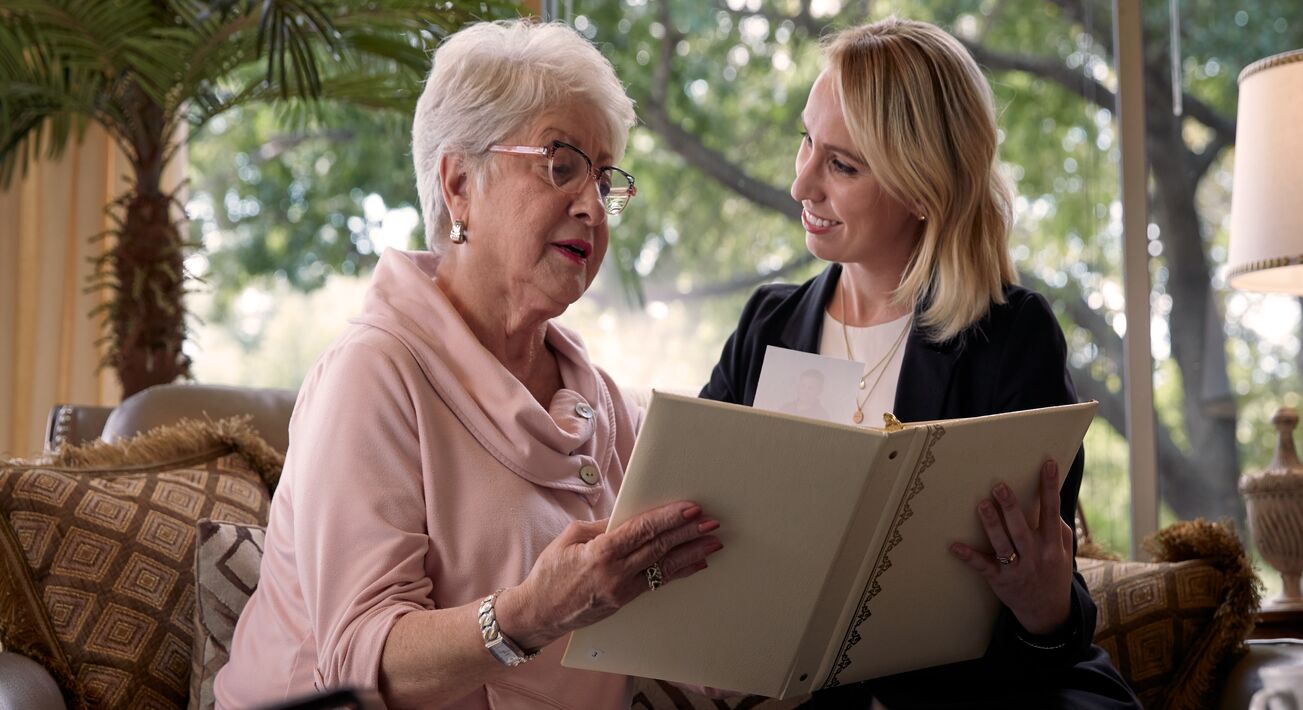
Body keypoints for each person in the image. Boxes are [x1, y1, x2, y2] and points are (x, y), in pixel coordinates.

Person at [217, 21, 722, 709]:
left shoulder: (608, 405)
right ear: (459, 184)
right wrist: (531, 614)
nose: (591, 206)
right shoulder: (372, 373)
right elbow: (359, 661)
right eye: (560, 165)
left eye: (604, 179)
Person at [700, 18, 1140, 708]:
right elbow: (702, 524)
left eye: (842, 166)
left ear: (921, 186)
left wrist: (1044, 609)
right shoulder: (768, 326)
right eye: (806, 142)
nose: (801, 184)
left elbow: (1054, 621)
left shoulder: (1010, 337)